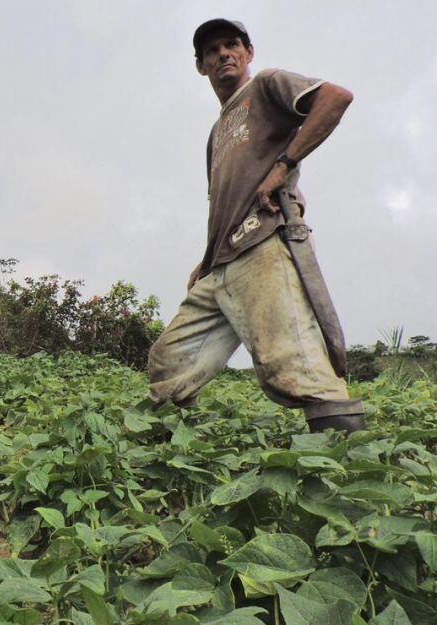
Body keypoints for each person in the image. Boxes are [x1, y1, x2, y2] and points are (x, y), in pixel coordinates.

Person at [147, 19, 365, 433]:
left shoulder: (266, 85)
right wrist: (206, 260)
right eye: (212, 51)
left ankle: (348, 469)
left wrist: (283, 166)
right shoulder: (217, 133)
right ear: (201, 66)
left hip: (264, 243)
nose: (223, 54)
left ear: (248, 53)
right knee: (170, 363)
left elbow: (336, 98)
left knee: (294, 366)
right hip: (222, 265)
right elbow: (224, 201)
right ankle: (169, 456)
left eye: (232, 45)